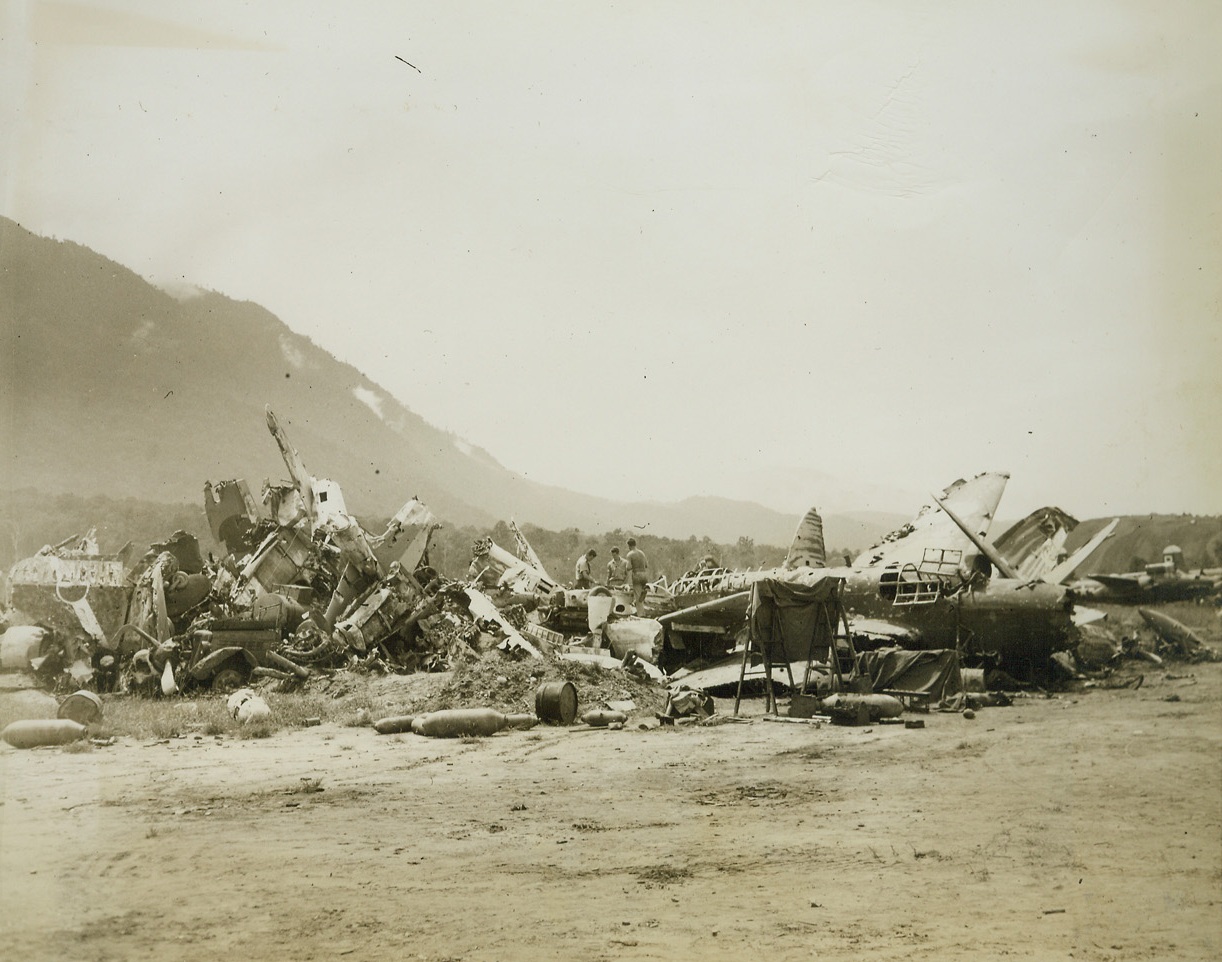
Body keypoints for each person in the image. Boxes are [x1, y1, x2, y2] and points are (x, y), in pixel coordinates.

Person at [626, 538, 649, 609]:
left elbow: (628, 567)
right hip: (644, 575)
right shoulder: (642, 553)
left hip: (637, 575)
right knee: (641, 597)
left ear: (629, 546)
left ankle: (640, 613)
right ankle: (644, 592)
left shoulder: (630, 554)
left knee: (637, 596)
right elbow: (646, 565)